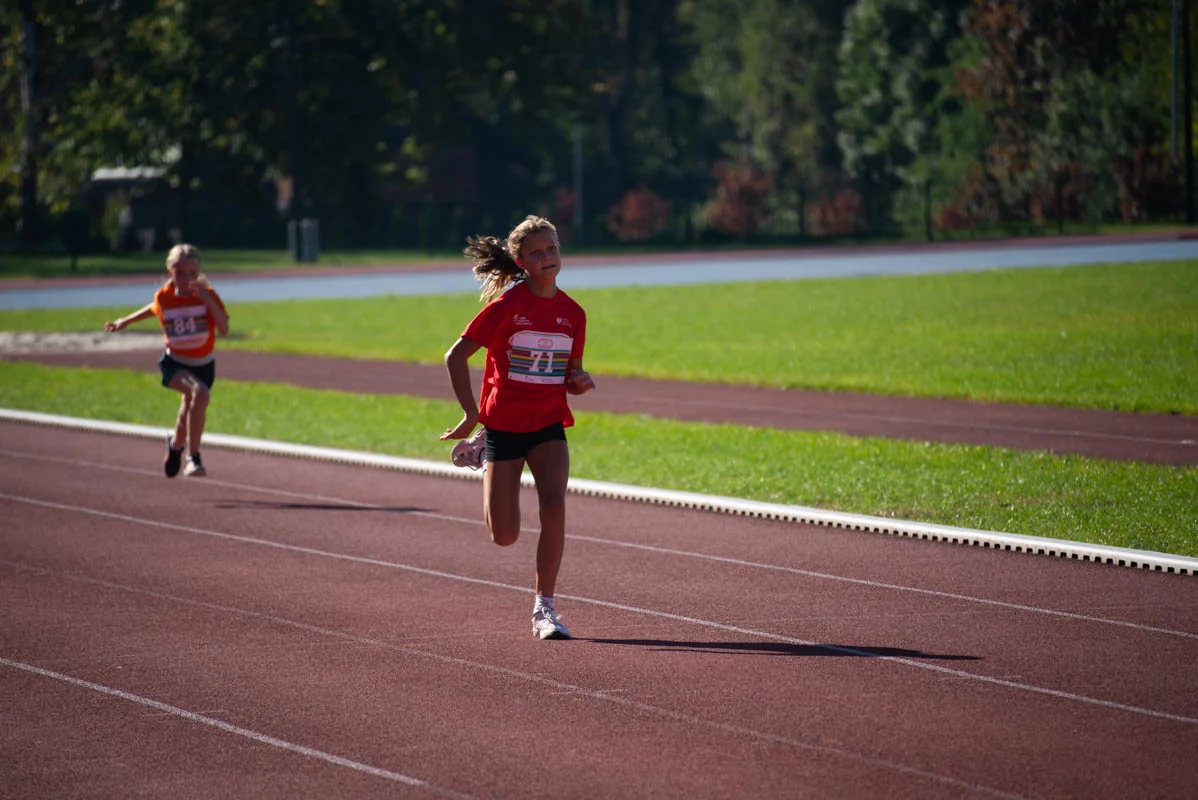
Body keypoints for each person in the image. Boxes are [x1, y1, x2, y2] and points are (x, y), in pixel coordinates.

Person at [441, 215, 596, 640]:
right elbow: (455, 357)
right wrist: (472, 414)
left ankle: (544, 608)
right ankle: (482, 443)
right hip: (503, 425)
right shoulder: (506, 307)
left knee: (555, 504)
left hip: (547, 422)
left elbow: (570, 370)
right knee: (505, 536)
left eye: (552, 248)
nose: (548, 257)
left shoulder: (573, 314)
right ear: (520, 262)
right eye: (537, 253)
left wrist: (578, 382)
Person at [104, 243, 229, 479]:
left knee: (187, 410)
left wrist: (207, 300)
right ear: (171, 272)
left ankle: (175, 445)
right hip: (175, 363)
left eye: (192, 273)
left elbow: (223, 329)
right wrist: (126, 321)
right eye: (181, 273)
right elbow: (154, 308)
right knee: (200, 394)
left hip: (204, 364)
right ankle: (193, 458)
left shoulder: (208, 296)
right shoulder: (164, 297)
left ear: (199, 273)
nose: (187, 278)